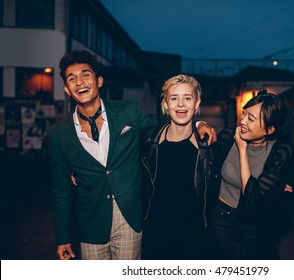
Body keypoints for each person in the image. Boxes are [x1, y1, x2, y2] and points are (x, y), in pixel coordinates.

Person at [48, 50, 216, 260]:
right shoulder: (57, 134)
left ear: (99, 81)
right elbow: (60, 191)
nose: (80, 82)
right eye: (72, 78)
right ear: (66, 88)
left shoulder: (129, 111)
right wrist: (62, 237)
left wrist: (199, 123)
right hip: (91, 224)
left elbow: (162, 132)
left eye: (86, 75)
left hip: (130, 218)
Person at [208, 89, 293, 260]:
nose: (243, 121)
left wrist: (242, 151)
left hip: (256, 227)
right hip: (221, 219)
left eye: (251, 118)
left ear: (269, 129)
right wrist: (200, 125)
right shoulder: (226, 138)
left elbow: (252, 200)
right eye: (244, 114)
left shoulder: (280, 152)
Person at [140, 74, 216, 259]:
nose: (181, 104)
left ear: (197, 103)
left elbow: (245, 147)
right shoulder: (148, 140)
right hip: (155, 233)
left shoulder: (208, 145)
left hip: (194, 236)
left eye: (187, 98)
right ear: (166, 104)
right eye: (174, 98)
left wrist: (275, 177)